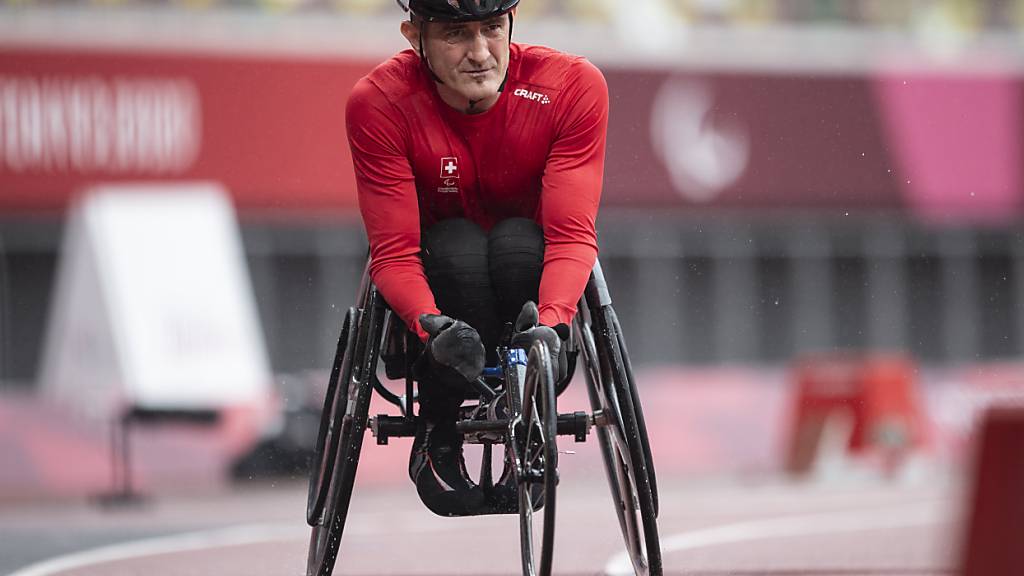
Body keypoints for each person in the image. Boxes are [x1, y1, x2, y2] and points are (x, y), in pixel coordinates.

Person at [345, 0, 608, 516]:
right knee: (460, 242)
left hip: (529, 273)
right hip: (440, 271)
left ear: (511, 24)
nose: (479, 53)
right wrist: (431, 327)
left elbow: (573, 235)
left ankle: (528, 410)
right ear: (413, 35)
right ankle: (438, 423)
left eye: (492, 29)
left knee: (514, 240)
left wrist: (553, 328)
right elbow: (394, 252)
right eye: (455, 35)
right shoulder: (379, 101)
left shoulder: (573, 87)